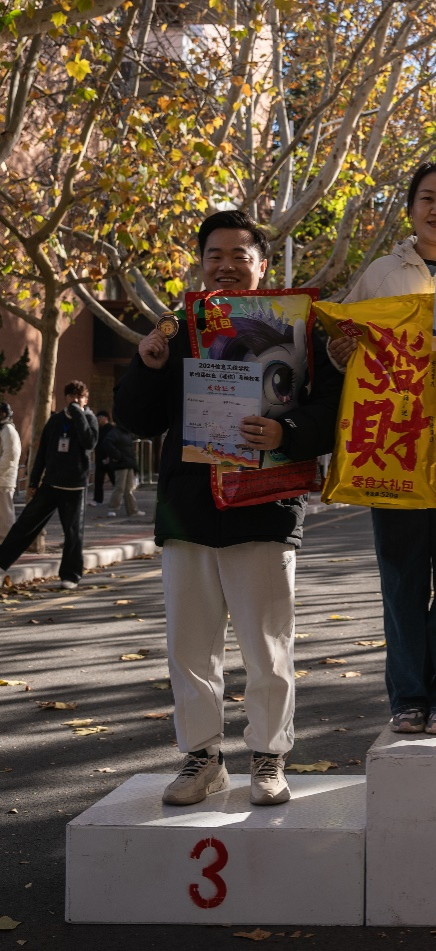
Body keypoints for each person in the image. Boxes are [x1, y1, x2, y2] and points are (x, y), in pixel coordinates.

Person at [114, 209, 340, 807]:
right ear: (200, 264)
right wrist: (147, 365)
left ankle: (269, 757)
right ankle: (202, 759)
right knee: (190, 648)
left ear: (261, 266)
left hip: (265, 507)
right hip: (187, 509)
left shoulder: (300, 328)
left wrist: (286, 432)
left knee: (268, 645)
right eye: (215, 255)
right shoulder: (177, 330)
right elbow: (135, 419)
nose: (226, 266)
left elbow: (330, 408)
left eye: (240, 255)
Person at [329, 161, 436, 737]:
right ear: (409, 208)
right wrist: (341, 347)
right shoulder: (382, 274)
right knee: (403, 578)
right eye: (427, 198)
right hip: (395, 447)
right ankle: (408, 697)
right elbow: (343, 342)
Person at [0, 381, 98, 589]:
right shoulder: (55, 421)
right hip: (51, 484)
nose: (75, 400)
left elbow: (89, 442)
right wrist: (33, 481)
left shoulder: (89, 419)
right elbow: (43, 452)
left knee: (73, 533)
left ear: (86, 399)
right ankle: (1, 562)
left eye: (79, 397)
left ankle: (70, 576)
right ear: (65, 397)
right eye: (71, 396)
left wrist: (79, 415)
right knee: (25, 524)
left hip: (75, 488)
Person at [102, 417, 143, 518]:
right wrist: (117, 456)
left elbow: (130, 452)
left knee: (128, 489)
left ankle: (132, 510)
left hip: (127, 463)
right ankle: (113, 508)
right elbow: (107, 443)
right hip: (121, 464)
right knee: (120, 488)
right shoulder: (116, 433)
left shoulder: (127, 433)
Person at [0, 403, 20, 538]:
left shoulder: (8, 430)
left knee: (5, 518)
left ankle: (8, 544)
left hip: (4, 480)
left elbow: (10, 456)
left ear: (3, 414)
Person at [91, 410, 115, 506]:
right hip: (100, 458)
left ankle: (119, 498)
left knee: (114, 479)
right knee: (98, 480)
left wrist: (109, 456)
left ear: (106, 418)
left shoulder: (111, 429)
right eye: (98, 417)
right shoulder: (99, 429)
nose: (98, 419)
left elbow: (112, 444)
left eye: (100, 417)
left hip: (109, 458)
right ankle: (97, 499)